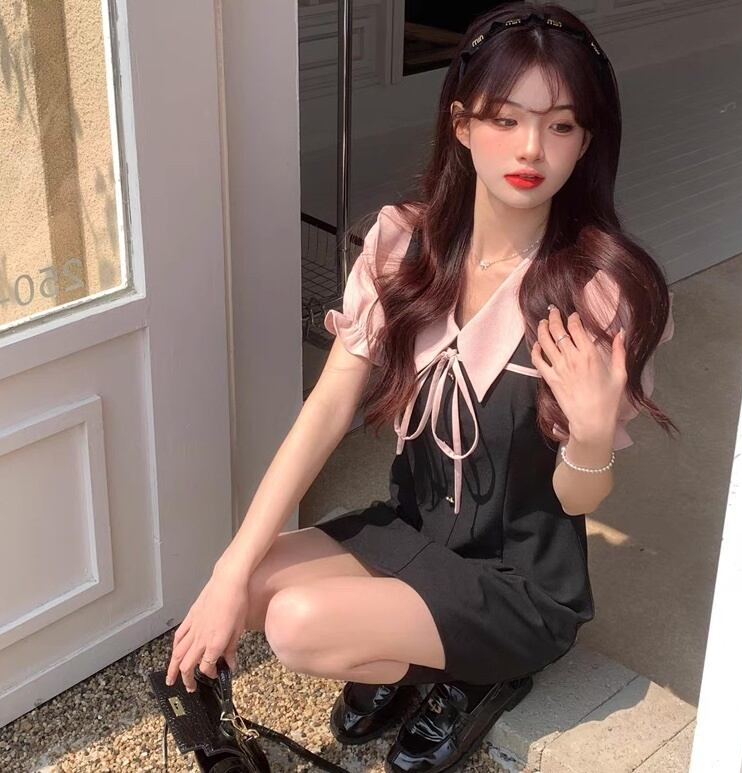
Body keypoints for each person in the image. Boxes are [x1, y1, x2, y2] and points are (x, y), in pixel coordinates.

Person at [165, 2, 677, 770]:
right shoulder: (403, 243)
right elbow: (327, 406)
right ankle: (411, 650)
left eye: (561, 125)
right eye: (505, 118)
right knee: (254, 582)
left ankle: (477, 674)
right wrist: (226, 572)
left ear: (585, 141)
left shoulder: (599, 290)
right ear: (461, 124)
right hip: (413, 530)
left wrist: (594, 431)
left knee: (298, 626)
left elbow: (576, 500)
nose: (530, 147)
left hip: (517, 580)